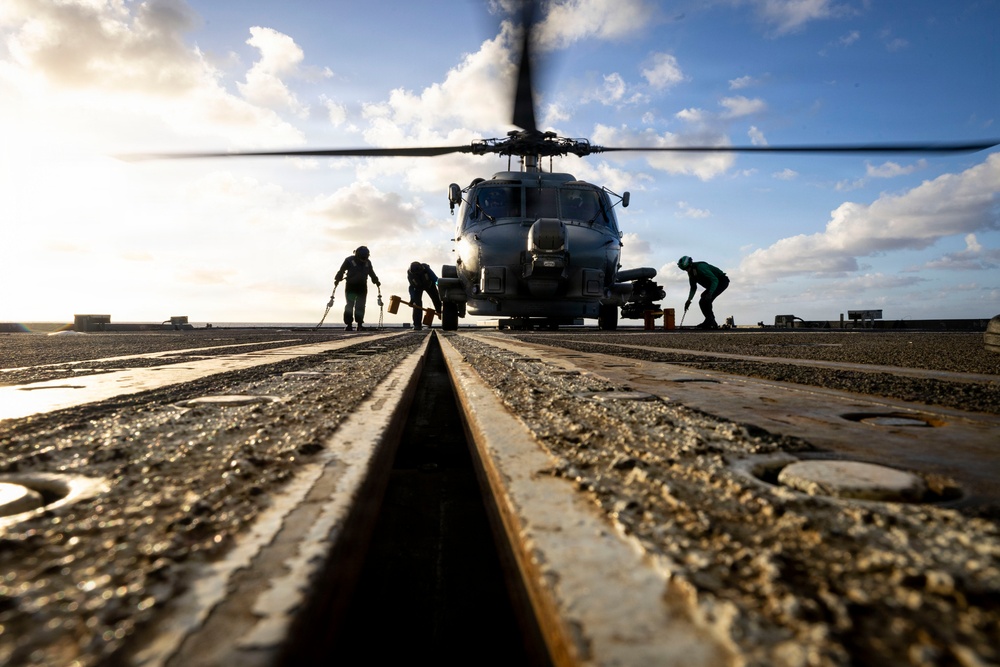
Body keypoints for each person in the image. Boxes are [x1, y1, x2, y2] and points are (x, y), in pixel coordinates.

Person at [334, 246, 380, 330]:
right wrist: (337, 279)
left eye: (365, 257)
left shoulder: (368, 263)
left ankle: (359, 324)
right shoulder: (349, 261)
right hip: (351, 286)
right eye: (363, 257)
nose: (364, 259)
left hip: (362, 287)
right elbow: (341, 271)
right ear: (357, 255)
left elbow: (371, 273)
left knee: (361, 306)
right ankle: (349, 325)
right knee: (349, 305)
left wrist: (376, 281)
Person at [678, 255, 729, 329]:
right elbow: (693, 288)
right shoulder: (691, 273)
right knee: (703, 299)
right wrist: (689, 300)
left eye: (687, 268)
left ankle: (710, 321)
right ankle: (710, 321)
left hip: (721, 281)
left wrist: (710, 293)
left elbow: (714, 280)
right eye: (685, 269)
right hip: (714, 284)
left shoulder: (701, 267)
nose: (687, 270)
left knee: (706, 300)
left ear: (690, 264)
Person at [407, 261, 442, 330]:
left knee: (437, 299)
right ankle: (417, 324)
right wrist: (412, 298)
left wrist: (439, 285)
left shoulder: (426, 268)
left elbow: (435, 278)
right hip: (418, 287)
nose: (418, 275)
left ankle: (442, 314)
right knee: (417, 304)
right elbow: (411, 287)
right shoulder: (410, 275)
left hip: (430, 285)